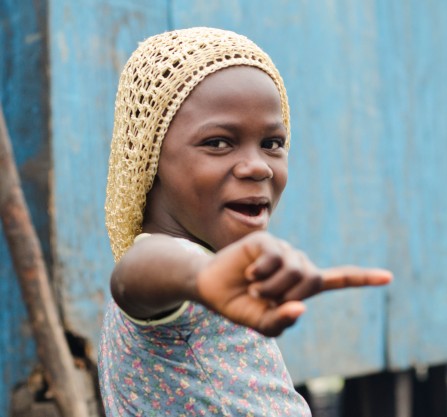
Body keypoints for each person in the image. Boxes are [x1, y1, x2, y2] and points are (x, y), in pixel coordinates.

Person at [98, 27, 392, 416]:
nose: (258, 166)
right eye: (218, 142)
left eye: (272, 144)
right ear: (149, 159)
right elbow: (133, 277)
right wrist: (202, 276)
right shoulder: (168, 276)